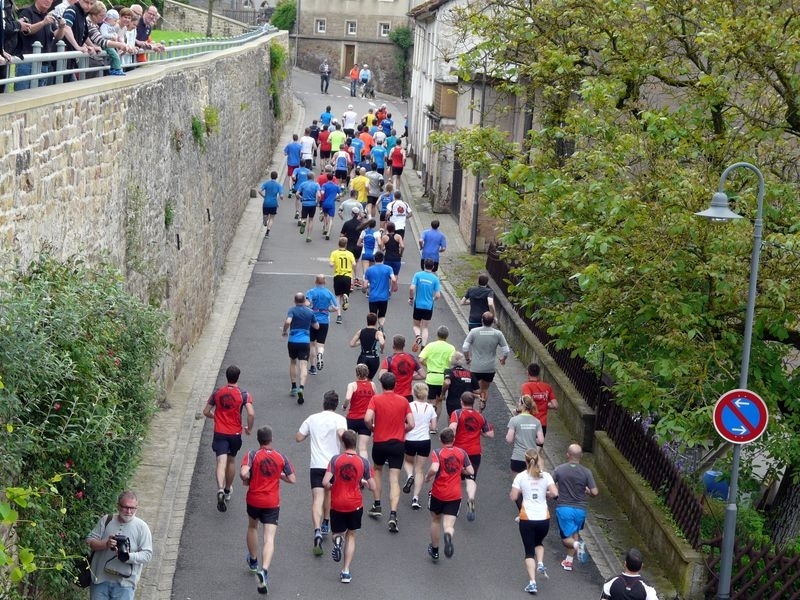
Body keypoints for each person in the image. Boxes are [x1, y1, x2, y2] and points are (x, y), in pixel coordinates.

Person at [241, 426, 296, 595]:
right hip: (272, 502)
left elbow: (244, 473)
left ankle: (253, 561)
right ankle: (264, 571)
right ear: (271, 439)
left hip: (254, 499)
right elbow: (293, 479)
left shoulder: (252, 455)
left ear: (259, 440)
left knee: (252, 527)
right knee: (269, 538)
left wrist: (248, 478)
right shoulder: (281, 457)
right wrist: (279, 476)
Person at [296, 390, 347, 556]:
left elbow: (298, 437)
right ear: (336, 404)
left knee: (317, 498)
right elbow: (342, 436)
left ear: (323, 403)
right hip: (333, 465)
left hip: (316, 465)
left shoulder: (312, 418)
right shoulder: (340, 419)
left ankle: (317, 529)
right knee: (329, 494)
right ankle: (326, 522)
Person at [323, 429, 375, 584]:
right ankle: (345, 571)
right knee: (351, 535)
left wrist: (334, 486)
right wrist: (363, 482)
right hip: (355, 504)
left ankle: (337, 541)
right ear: (356, 443)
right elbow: (373, 486)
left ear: (343, 443)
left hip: (337, 503)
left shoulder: (335, 460)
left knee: (336, 533)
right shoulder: (363, 462)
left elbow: (325, 483)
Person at [364, 371, 414, 533]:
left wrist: (372, 428)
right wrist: (402, 429)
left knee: (377, 470)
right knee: (394, 479)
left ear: (382, 385)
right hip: (398, 443)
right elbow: (411, 424)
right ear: (395, 385)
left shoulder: (376, 399)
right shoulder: (403, 401)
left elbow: (367, 418)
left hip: (380, 442)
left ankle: (377, 504)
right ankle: (393, 513)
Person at [202, 364, 255, 512]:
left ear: (227, 376)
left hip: (220, 432)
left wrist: (215, 417)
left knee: (220, 461)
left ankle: (219, 488)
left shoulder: (217, 393)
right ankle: (227, 489)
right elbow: (251, 413)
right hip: (234, 433)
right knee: (231, 461)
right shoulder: (243, 394)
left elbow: (206, 411)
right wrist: (249, 428)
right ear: (238, 377)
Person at [84, 490, 152, 598]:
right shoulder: (107, 520)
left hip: (125, 584)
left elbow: (147, 555)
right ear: (118, 506)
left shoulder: (142, 527)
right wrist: (105, 544)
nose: (129, 511)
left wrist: (127, 556)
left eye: (132, 508)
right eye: (125, 507)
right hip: (100, 580)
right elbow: (89, 541)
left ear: (136, 508)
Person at [510, 449, 558, 595]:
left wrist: (520, 492)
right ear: (538, 460)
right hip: (544, 518)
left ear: (526, 461)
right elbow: (555, 493)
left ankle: (532, 583)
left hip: (527, 518)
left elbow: (513, 496)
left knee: (529, 551)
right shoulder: (546, 476)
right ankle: (541, 562)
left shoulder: (521, 477)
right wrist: (546, 494)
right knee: (539, 543)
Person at [425, 428, 473, 561]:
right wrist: (460, 470)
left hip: (438, 493)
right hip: (455, 495)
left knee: (435, 520)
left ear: (440, 440)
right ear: (454, 440)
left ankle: (435, 550)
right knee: (449, 524)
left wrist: (428, 477)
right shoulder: (462, 452)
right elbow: (470, 470)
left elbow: (434, 468)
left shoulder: (437, 452)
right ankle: (448, 535)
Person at [553, 443, 599, 572]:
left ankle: (577, 545)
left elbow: (550, 485)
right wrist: (587, 491)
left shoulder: (559, 469)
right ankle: (568, 562)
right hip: (580, 509)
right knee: (574, 533)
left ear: (568, 455)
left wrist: (555, 494)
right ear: (581, 456)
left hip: (564, 508)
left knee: (565, 538)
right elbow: (595, 492)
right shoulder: (587, 472)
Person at [449, 391, 494, 522]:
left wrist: (450, 435)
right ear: (473, 403)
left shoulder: (457, 413)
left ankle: (453, 504)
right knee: (470, 478)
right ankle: (471, 498)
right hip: (475, 452)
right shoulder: (480, 417)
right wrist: (479, 431)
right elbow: (490, 434)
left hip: (459, 451)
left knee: (454, 477)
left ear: (461, 402)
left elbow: (452, 427)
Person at [462, 311, 510, 411]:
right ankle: (480, 411)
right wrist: (503, 359)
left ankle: (471, 409)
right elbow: (506, 350)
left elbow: (465, 347)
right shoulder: (498, 334)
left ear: (482, 320)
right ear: (492, 322)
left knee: (473, 389)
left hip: (476, 367)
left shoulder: (474, 332)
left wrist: (467, 359)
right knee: (484, 389)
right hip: (490, 368)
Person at [402, 382, 437, 510]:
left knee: (408, 461)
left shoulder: (409, 405)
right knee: (420, 469)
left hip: (410, 439)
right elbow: (433, 427)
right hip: (424, 441)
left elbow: (404, 421)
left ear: (413, 393)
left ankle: (409, 475)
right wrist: (426, 424)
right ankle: (415, 498)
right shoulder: (430, 408)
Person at [282, 291, 319, 404]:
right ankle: (301, 387)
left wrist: (284, 330)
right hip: (304, 341)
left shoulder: (292, 310)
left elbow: (288, 321)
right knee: (304, 364)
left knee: (293, 362)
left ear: (294, 301)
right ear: (304, 301)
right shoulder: (310, 312)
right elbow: (316, 326)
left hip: (293, 340)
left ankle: (293, 387)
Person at [14, 0, 58, 90]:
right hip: (26, 62)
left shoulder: (49, 16)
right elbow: (26, 30)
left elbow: (57, 35)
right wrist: (43, 23)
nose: (48, 1)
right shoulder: (27, 12)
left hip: (44, 63)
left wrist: (61, 27)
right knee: (22, 95)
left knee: (39, 96)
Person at [418, 326, 455, 417]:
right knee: (439, 401)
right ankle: (435, 426)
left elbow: (421, 360)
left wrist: (429, 365)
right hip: (443, 377)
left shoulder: (430, 345)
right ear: (447, 336)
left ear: (437, 335)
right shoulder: (451, 348)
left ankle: (429, 423)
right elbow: (452, 361)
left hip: (432, 377)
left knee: (430, 400)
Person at [343, 363, 378, 457]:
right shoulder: (372, 385)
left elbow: (348, 398)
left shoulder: (352, 385)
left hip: (352, 419)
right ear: (367, 373)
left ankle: (350, 466)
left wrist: (344, 406)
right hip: (366, 419)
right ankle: (365, 469)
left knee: (350, 447)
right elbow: (376, 400)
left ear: (356, 373)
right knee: (363, 448)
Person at [306, 275, 338, 374]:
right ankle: (320, 354)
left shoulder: (311, 292)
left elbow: (307, 304)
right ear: (325, 282)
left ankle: (313, 367)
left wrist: (309, 307)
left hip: (313, 320)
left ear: (315, 281)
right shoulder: (328, 293)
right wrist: (328, 309)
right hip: (324, 321)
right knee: (321, 344)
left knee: (311, 344)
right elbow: (336, 307)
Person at [378, 334, 425, 400]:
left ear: (393, 346)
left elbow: (380, 377)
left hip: (393, 396)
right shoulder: (411, 358)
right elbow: (423, 375)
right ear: (404, 345)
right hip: (408, 396)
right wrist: (410, 376)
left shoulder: (389, 360)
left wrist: (391, 379)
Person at [409, 259, 441, 351]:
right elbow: (438, 295)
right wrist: (433, 300)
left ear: (424, 265)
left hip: (418, 304)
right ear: (433, 267)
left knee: (416, 325)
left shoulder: (418, 275)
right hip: (428, 306)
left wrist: (411, 298)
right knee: (425, 327)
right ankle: (423, 346)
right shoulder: (435, 279)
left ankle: (418, 336)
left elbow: (412, 288)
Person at [507, 395, 544, 474]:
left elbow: (509, 439)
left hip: (518, 457)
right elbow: (541, 440)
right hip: (532, 458)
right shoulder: (537, 421)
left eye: (518, 402)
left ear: (521, 404)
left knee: (517, 484)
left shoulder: (514, 420)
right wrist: (532, 438)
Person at [521, 363, 558, 440]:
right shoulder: (547, 386)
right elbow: (555, 405)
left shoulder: (526, 386)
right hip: (542, 423)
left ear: (528, 372)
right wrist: (544, 404)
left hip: (529, 421)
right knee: (538, 448)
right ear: (539, 373)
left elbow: (528, 401)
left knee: (528, 447)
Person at [363, 251, 396, 331]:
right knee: (382, 315)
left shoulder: (369, 270)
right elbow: (394, 279)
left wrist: (364, 290)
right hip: (384, 297)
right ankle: (381, 326)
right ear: (383, 259)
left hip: (373, 296)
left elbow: (364, 285)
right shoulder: (388, 268)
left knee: (373, 315)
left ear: (374, 259)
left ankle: (374, 332)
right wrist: (391, 290)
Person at [349, 312, 385, 380]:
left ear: (367, 321)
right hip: (373, 358)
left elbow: (352, 344)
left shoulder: (361, 331)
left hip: (363, 358)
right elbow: (382, 343)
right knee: (369, 379)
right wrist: (382, 350)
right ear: (376, 322)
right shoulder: (378, 333)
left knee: (360, 379)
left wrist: (360, 342)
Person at [441, 351, 478, 417]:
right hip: (467, 402)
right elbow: (477, 390)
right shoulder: (470, 373)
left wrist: (443, 394)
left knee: (453, 419)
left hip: (453, 401)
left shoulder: (449, 371)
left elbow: (447, 383)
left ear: (452, 360)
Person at [329, 237, 356, 324]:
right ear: (346, 245)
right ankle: (345, 296)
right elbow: (354, 264)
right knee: (345, 293)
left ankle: (339, 316)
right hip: (347, 276)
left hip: (338, 276)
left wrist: (335, 263)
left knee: (337, 297)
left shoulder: (334, 253)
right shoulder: (350, 254)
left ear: (338, 244)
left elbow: (331, 264)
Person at [339, 203, 364, 287]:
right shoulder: (361, 224)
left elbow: (341, 235)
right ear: (358, 214)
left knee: (349, 264)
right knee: (356, 262)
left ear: (352, 213)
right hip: (358, 247)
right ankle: (356, 279)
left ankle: (350, 282)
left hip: (349, 246)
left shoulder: (347, 223)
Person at [297, 171, 321, 242]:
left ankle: (303, 222)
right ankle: (309, 236)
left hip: (305, 203)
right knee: (311, 220)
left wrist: (301, 198)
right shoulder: (316, 185)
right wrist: (317, 202)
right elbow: (319, 195)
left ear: (307, 177)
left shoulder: (303, 184)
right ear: (313, 177)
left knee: (304, 218)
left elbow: (297, 194)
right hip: (312, 204)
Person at [259, 170, 283, 237]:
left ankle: (264, 221)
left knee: (265, 215)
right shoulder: (279, 185)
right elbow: (281, 196)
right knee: (272, 218)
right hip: (273, 204)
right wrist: (282, 198)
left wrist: (264, 196)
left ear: (271, 176)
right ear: (277, 177)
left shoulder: (266, 183)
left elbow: (259, 191)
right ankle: (267, 231)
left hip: (266, 203)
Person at [381, 221, 403, 291]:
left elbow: (382, 248)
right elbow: (402, 246)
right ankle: (392, 287)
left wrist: (385, 248)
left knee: (387, 274)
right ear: (394, 229)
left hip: (387, 258)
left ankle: (386, 288)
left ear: (387, 229)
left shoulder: (384, 237)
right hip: (397, 258)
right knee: (395, 274)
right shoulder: (398, 236)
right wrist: (401, 253)